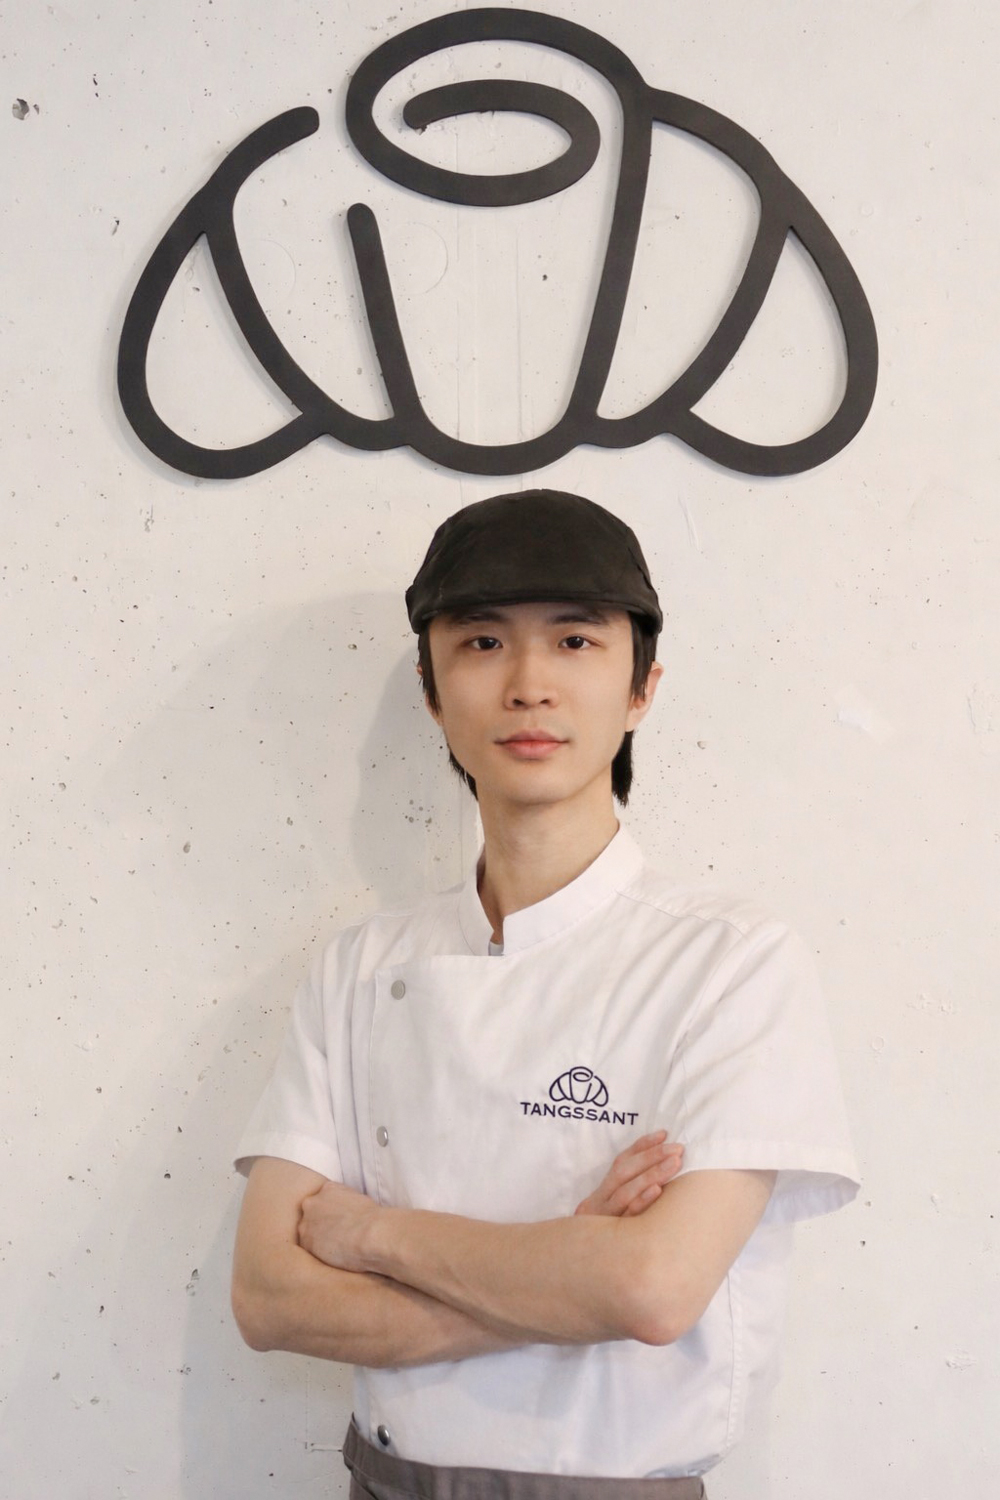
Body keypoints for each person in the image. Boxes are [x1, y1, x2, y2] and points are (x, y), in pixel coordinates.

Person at [231, 489, 858, 1499]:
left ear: (642, 687)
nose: (528, 685)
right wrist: (566, 1272)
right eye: (480, 643)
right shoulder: (358, 967)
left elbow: (652, 1290)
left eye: (573, 641)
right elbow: (268, 1300)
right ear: (433, 694)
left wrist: (371, 1236)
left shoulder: (732, 961)